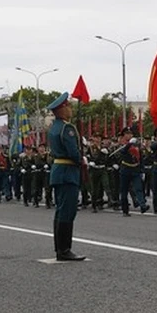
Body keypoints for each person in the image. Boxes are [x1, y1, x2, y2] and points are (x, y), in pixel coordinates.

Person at [46, 92, 86, 261]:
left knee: (61, 211)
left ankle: (60, 248)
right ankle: (64, 249)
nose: (70, 109)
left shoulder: (54, 128)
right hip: (68, 172)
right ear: (61, 110)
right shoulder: (66, 128)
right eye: (68, 106)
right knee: (67, 211)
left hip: (58, 171)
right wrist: (81, 158)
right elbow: (72, 152)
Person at [114, 127, 149, 216]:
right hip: (125, 169)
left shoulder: (136, 144)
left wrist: (142, 170)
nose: (129, 135)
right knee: (124, 191)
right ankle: (125, 210)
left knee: (138, 188)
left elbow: (140, 157)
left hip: (135, 169)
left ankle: (142, 205)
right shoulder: (123, 144)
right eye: (127, 134)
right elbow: (123, 152)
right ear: (124, 135)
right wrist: (129, 144)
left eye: (130, 134)